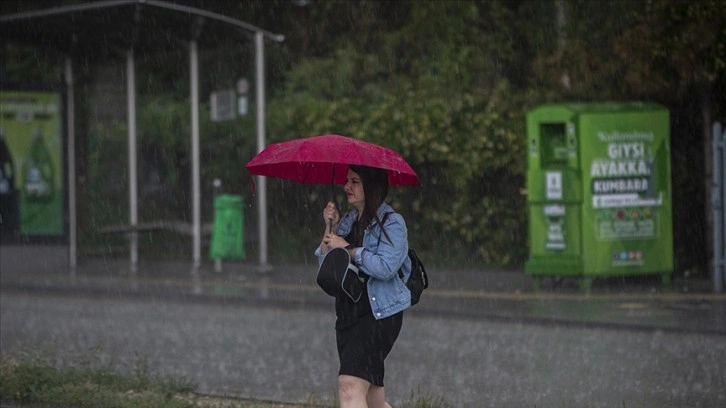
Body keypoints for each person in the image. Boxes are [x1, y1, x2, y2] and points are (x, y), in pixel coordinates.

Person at [315, 164, 412, 408]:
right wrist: (330, 227)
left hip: (378, 314)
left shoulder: (393, 223)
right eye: (347, 180)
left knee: (349, 386)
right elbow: (326, 262)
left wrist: (348, 248)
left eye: (355, 181)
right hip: (349, 313)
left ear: (372, 186)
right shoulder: (348, 220)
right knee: (372, 398)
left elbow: (385, 267)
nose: (346, 186)